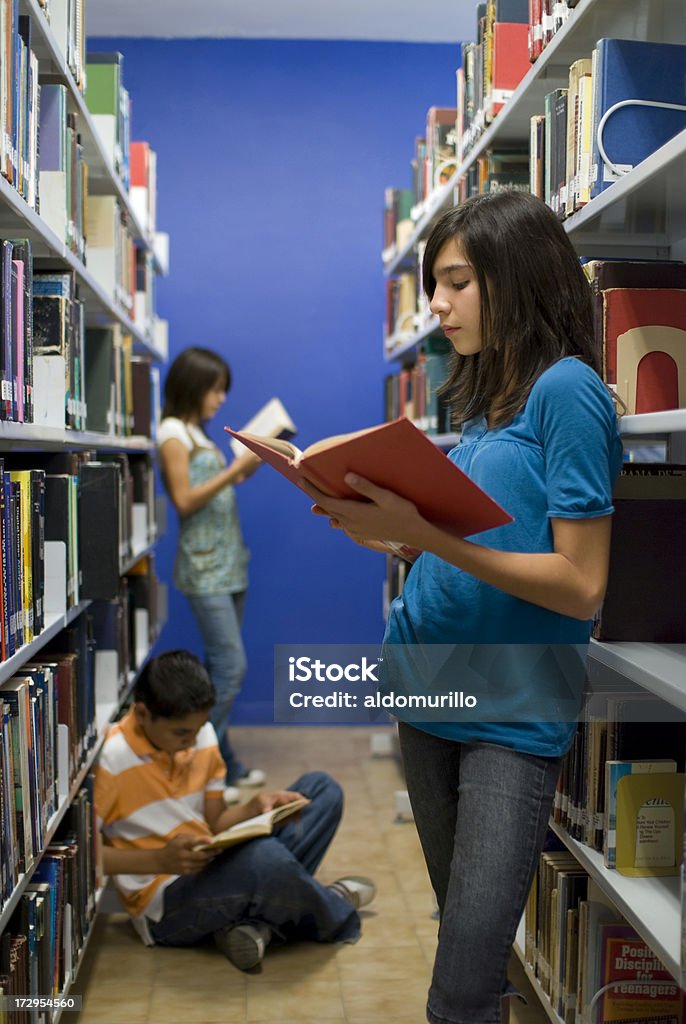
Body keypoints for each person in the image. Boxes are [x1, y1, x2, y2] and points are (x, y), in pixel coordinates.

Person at [303, 191, 623, 1024]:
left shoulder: (569, 392)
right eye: (433, 284)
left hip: (512, 707)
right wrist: (398, 536)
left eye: (455, 282)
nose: (435, 304)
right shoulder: (486, 394)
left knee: (460, 984)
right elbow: (499, 539)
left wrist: (427, 536)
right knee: (464, 942)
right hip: (428, 683)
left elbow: (582, 584)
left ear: (515, 277)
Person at [94, 649, 376, 970]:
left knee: (320, 790)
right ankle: (333, 906)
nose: (192, 741)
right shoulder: (111, 759)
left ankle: (255, 926)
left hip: (212, 863)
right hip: (164, 904)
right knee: (265, 859)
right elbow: (85, 857)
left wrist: (256, 807)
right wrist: (159, 859)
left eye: (198, 729)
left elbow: (216, 821)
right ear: (142, 714)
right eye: (180, 733)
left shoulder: (203, 736)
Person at [158, 345, 264, 791]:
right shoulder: (172, 434)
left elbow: (211, 490)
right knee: (230, 666)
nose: (221, 398)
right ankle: (191, 762)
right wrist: (231, 470)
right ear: (193, 387)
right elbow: (184, 500)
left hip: (227, 564)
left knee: (218, 667)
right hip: (204, 569)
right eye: (215, 390)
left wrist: (243, 471)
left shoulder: (196, 432)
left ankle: (223, 763)